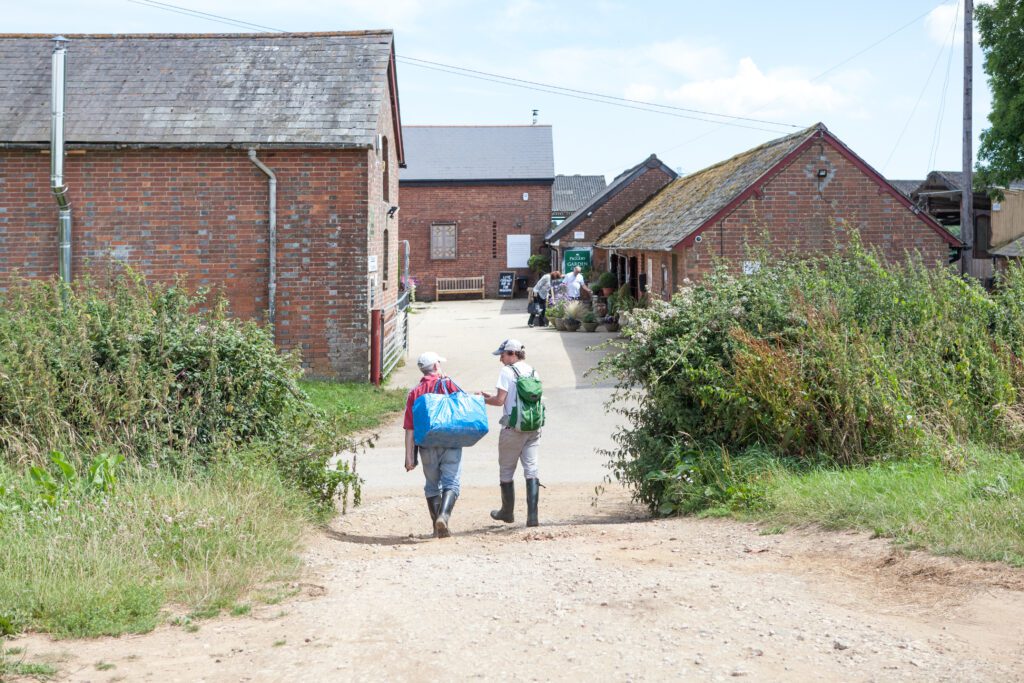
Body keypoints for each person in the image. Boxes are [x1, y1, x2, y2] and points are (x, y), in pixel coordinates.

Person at [478, 339, 542, 527]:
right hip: (533, 427)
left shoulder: (507, 372)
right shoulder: (533, 371)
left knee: (506, 469)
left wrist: (483, 399)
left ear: (512, 354)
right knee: (531, 469)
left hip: (512, 428)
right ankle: (532, 517)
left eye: (503, 355)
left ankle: (507, 512)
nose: (501, 360)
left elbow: (499, 401)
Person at [404, 351, 463, 538]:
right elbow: (464, 406)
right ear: (436, 367)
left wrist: (408, 456)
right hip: (450, 440)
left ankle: (436, 528)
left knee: (431, 485)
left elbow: (409, 428)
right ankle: (444, 517)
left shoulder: (414, 392)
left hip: (426, 444)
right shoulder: (448, 384)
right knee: (451, 482)